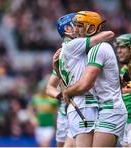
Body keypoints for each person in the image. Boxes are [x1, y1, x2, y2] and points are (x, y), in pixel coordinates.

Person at [62, 11, 127, 147]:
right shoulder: (92, 49)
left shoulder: (98, 49)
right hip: (104, 109)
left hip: (110, 109)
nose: (76, 29)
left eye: (80, 26)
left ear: (91, 28)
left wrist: (67, 92)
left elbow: (86, 84)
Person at [46, 13, 76, 147]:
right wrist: (61, 95)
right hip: (65, 111)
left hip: (80, 109)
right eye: (77, 24)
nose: (81, 26)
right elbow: (49, 88)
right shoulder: (65, 51)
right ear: (67, 29)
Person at [28, 76, 59, 147]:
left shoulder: (52, 99)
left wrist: (57, 125)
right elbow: (29, 109)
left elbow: (57, 112)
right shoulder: (36, 98)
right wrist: (32, 118)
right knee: (41, 145)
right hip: (39, 126)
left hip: (49, 126)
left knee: (45, 144)